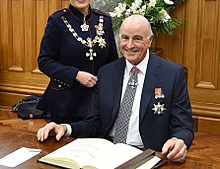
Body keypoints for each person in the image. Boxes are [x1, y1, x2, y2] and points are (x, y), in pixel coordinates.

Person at [37, 14, 194, 163]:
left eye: (137, 39)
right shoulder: (106, 72)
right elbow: (94, 123)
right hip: (106, 153)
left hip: (147, 155)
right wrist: (64, 128)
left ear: (150, 41)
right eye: (125, 38)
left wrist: (179, 140)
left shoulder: (172, 74)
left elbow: (183, 127)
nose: (130, 45)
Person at [37, 0, 118, 123]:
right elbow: (44, 62)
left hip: (97, 102)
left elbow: (112, 62)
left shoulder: (105, 20)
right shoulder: (57, 21)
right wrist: (75, 75)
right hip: (65, 102)